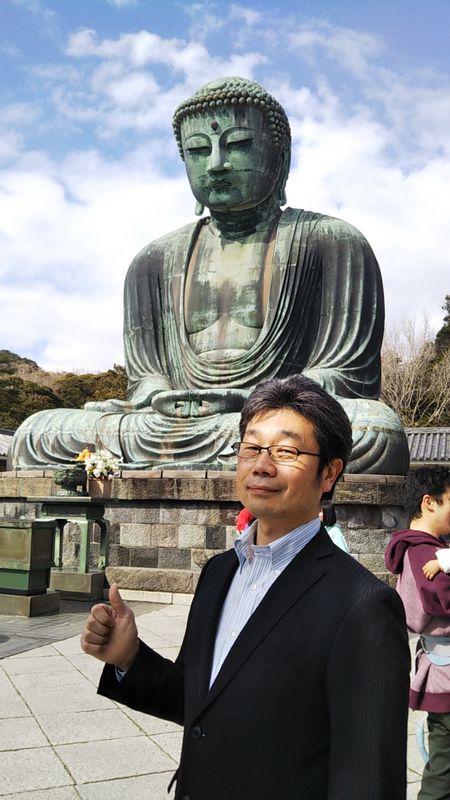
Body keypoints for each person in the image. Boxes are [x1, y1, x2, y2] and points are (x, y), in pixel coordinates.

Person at [10, 76, 409, 475]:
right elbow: (146, 378)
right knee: (37, 433)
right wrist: (160, 397)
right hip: (172, 424)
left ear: (280, 157)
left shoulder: (331, 241)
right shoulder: (152, 261)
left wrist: (253, 398)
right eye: (198, 150)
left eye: (237, 145)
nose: (216, 164)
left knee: (375, 431)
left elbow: (346, 376)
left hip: (278, 419)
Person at [81, 374, 410, 800]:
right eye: (251, 448)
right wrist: (130, 658)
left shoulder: (362, 604)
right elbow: (202, 701)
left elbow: (368, 781)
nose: (262, 465)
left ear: (329, 473)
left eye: (287, 451)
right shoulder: (218, 573)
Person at [385, 466, 450, 800]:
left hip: (439, 669)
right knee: (444, 769)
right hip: (446, 672)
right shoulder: (425, 555)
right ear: (429, 502)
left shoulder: (424, 551)